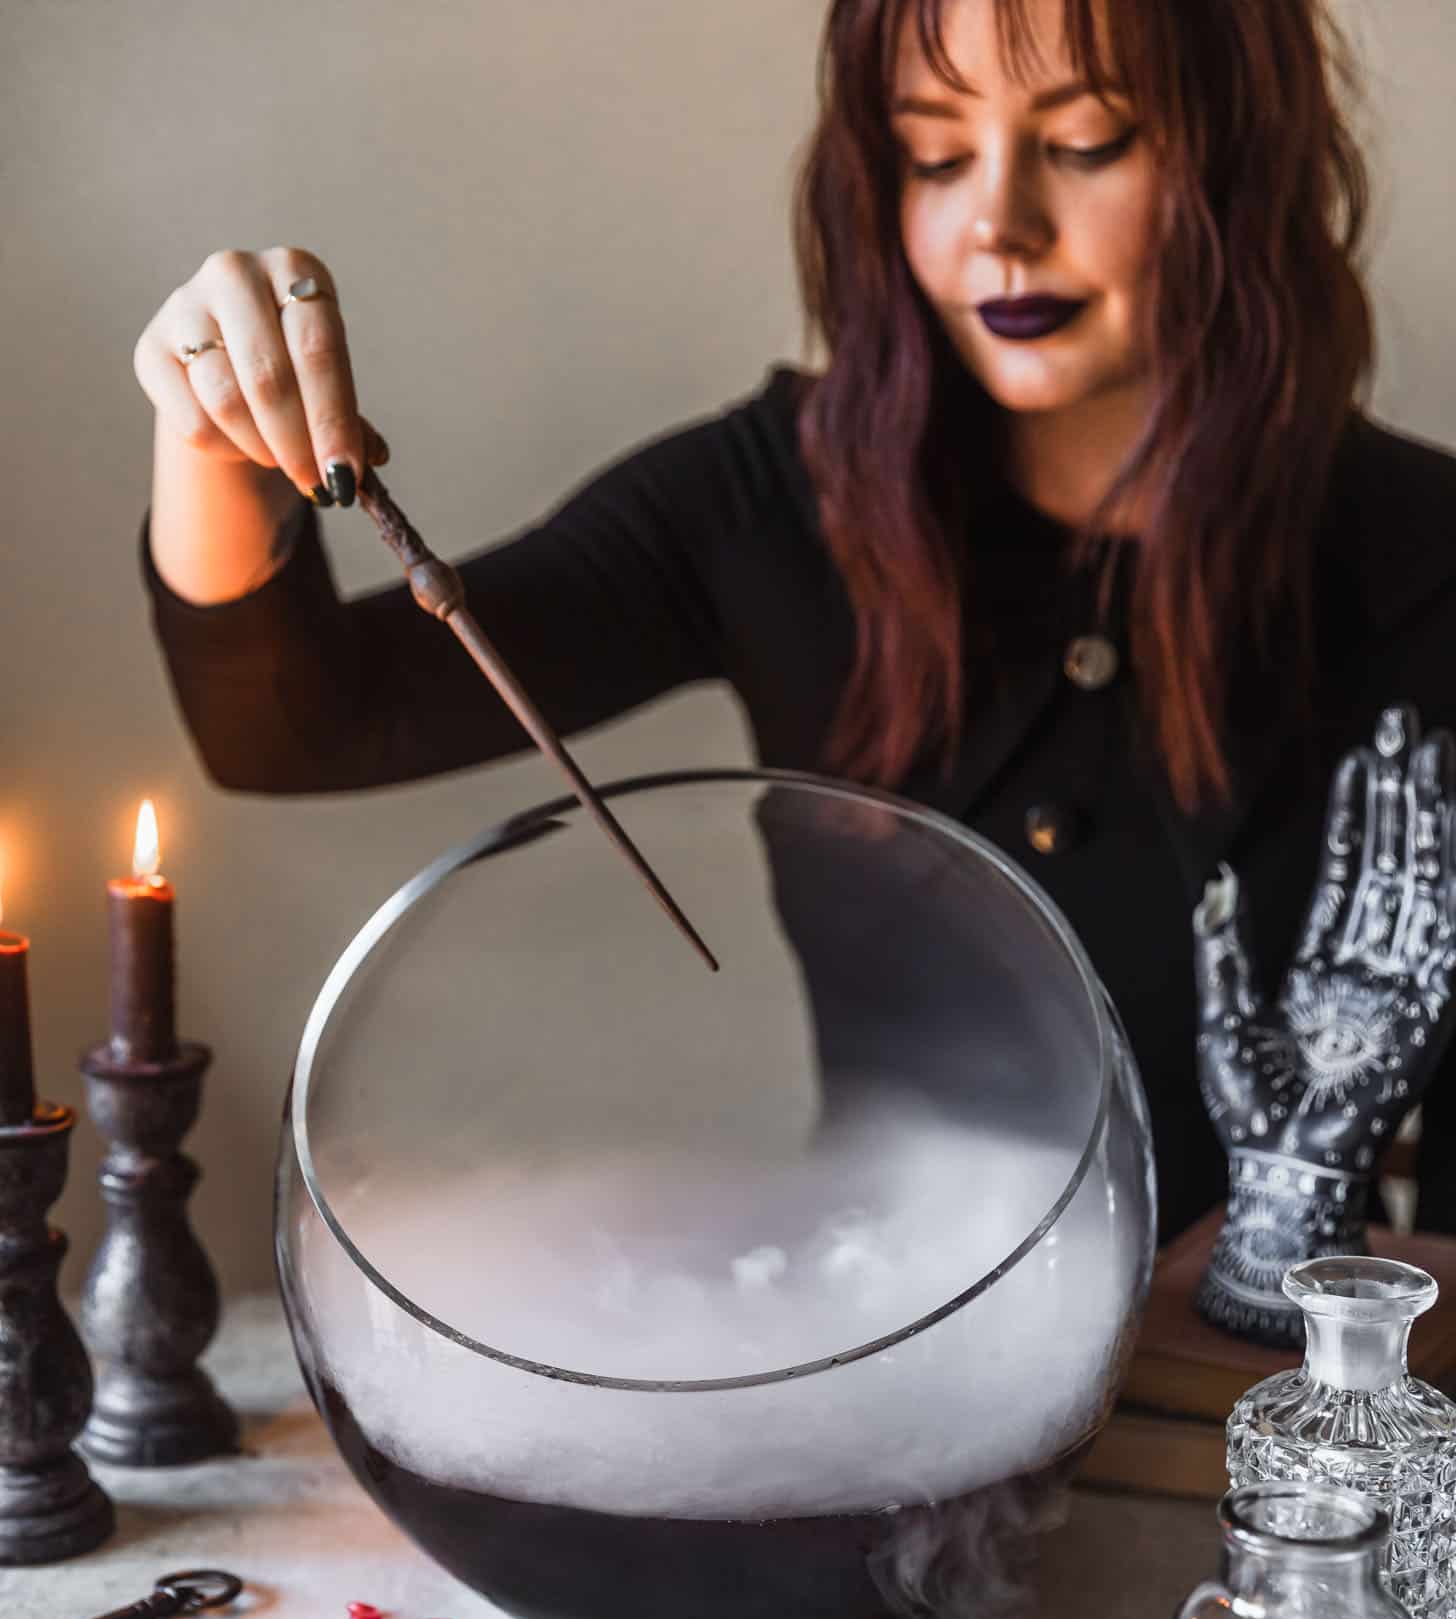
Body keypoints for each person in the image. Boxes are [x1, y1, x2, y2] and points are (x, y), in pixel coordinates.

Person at [134, 0, 1456, 1245]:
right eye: (933, 155)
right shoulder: (772, 504)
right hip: (888, 1359)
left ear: (1245, 148)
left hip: (1298, 1413)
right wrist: (209, 441)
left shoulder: (1423, 560)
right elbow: (299, 726)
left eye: (1084, 142)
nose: (999, 221)